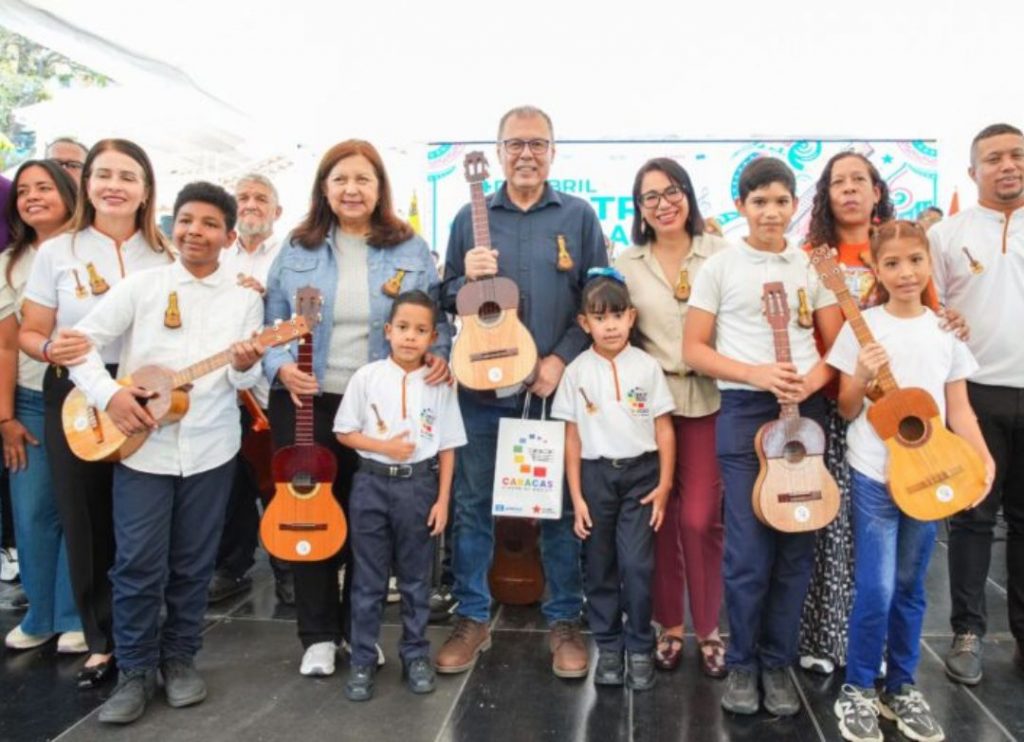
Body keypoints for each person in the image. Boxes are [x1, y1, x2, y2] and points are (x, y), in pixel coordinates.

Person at [69, 181, 265, 724]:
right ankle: (133, 670)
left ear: (229, 237)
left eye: (209, 224)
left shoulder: (246, 298)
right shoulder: (143, 287)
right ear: (171, 226)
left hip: (211, 449)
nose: (195, 232)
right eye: (186, 220)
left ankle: (179, 658)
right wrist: (109, 396)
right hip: (141, 450)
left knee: (194, 563)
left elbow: (242, 379)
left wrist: (246, 363)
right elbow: (80, 347)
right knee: (137, 563)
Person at [263, 139, 450, 678]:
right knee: (310, 514)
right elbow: (270, 321)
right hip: (304, 399)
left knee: (365, 520)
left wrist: (437, 355)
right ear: (324, 187)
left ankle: (359, 632)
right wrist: (280, 367)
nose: (351, 189)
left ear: (379, 187)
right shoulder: (296, 246)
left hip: (379, 405)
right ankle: (318, 635)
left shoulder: (409, 247)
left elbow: (434, 318)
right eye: (340, 179)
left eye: (363, 179)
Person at [438, 105, 607, 679]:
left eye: (537, 143)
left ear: (553, 152)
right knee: (472, 506)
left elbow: (597, 298)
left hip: (551, 392)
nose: (526, 154)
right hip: (482, 391)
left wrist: (560, 358)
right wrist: (464, 276)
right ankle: (472, 616)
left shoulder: (579, 216)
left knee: (556, 507)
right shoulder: (470, 218)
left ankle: (563, 620)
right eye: (515, 144)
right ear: (499, 152)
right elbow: (445, 296)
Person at [684, 157, 842, 717]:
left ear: (795, 205)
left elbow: (839, 345)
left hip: (805, 413)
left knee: (797, 547)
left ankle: (778, 663)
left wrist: (811, 381)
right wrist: (755, 374)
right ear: (741, 207)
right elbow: (693, 349)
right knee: (748, 550)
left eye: (781, 201)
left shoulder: (812, 264)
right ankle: (743, 663)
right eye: (759, 202)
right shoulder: (720, 267)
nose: (771, 212)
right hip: (745, 412)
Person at [829, 220, 994, 742]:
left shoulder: (944, 330)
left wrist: (983, 458)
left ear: (930, 263)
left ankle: (901, 686)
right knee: (876, 588)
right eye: (893, 263)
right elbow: (846, 408)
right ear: (875, 271)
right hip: (874, 475)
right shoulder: (862, 328)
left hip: (929, 477)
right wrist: (861, 372)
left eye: (915, 260)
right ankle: (858, 687)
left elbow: (958, 408)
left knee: (909, 586)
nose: (906, 272)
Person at [19, 138, 173, 689]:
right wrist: (47, 349)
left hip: (145, 390)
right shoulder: (58, 251)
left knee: (145, 517)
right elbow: (31, 330)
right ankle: (102, 639)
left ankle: (153, 633)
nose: (114, 186)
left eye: (128, 177)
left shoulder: (165, 252)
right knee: (85, 518)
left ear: (146, 190)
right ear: (86, 184)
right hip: (77, 392)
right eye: (103, 174)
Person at [615, 158, 728, 678]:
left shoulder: (721, 253)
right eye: (650, 197)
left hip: (708, 397)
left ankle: (709, 628)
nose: (663, 204)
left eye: (672, 191)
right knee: (659, 515)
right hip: (650, 405)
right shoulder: (626, 262)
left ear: (688, 195)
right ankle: (670, 626)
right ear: (639, 208)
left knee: (700, 518)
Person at [334, 290, 465, 701]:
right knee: (368, 580)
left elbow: (448, 445)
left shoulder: (439, 383)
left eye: (421, 330)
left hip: (419, 487)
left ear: (433, 337)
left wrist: (442, 500)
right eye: (403, 327)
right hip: (371, 485)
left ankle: (415, 653)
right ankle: (362, 658)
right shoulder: (367, 377)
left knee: (415, 579)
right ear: (388, 331)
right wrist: (384, 446)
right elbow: (344, 431)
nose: (411, 336)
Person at [930, 123, 1024, 685]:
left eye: (1017, 155)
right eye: (994, 158)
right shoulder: (946, 234)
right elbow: (928, 309)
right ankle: (967, 633)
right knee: (971, 519)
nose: (1008, 165)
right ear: (973, 171)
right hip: (974, 394)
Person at [552, 271, 675, 690]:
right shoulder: (576, 371)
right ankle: (608, 645)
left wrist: (665, 485)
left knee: (638, 565)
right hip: (594, 477)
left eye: (618, 316)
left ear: (631, 317)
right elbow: (571, 439)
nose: (610, 326)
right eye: (600, 318)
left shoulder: (647, 366)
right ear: (584, 323)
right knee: (599, 565)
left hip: (642, 477)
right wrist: (577, 498)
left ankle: (639, 645)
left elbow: (664, 430)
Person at [798, 151, 895, 675]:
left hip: (890, 410)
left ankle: (868, 645)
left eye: (861, 180)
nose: (851, 189)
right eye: (839, 182)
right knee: (826, 526)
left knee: (874, 533)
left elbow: (927, 311)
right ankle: (819, 638)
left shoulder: (896, 249)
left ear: (877, 191)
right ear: (826, 195)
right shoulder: (810, 257)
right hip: (829, 406)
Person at [0, 160, 82, 651]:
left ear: (68, 194)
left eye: (44, 187)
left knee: (78, 510)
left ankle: (76, 614)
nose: (32, 197)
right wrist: (6, 417)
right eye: (24, 190)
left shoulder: (89, 248)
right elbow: (7, 346)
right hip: (30, 401)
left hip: (85, 399)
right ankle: (41, 615)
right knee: (32, 512)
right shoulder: (10, 262)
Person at [209, 173, 292, 606]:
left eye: (261, 198)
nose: (250, 205)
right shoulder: (216, 253)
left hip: (267, 387)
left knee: (276, 481)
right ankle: (231, 567)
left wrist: (263, 298)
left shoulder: (291, 254)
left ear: (277, 211)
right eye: (242, 197)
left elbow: (303, 310)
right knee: (230, 485)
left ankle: (288, 568)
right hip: (221, 389)